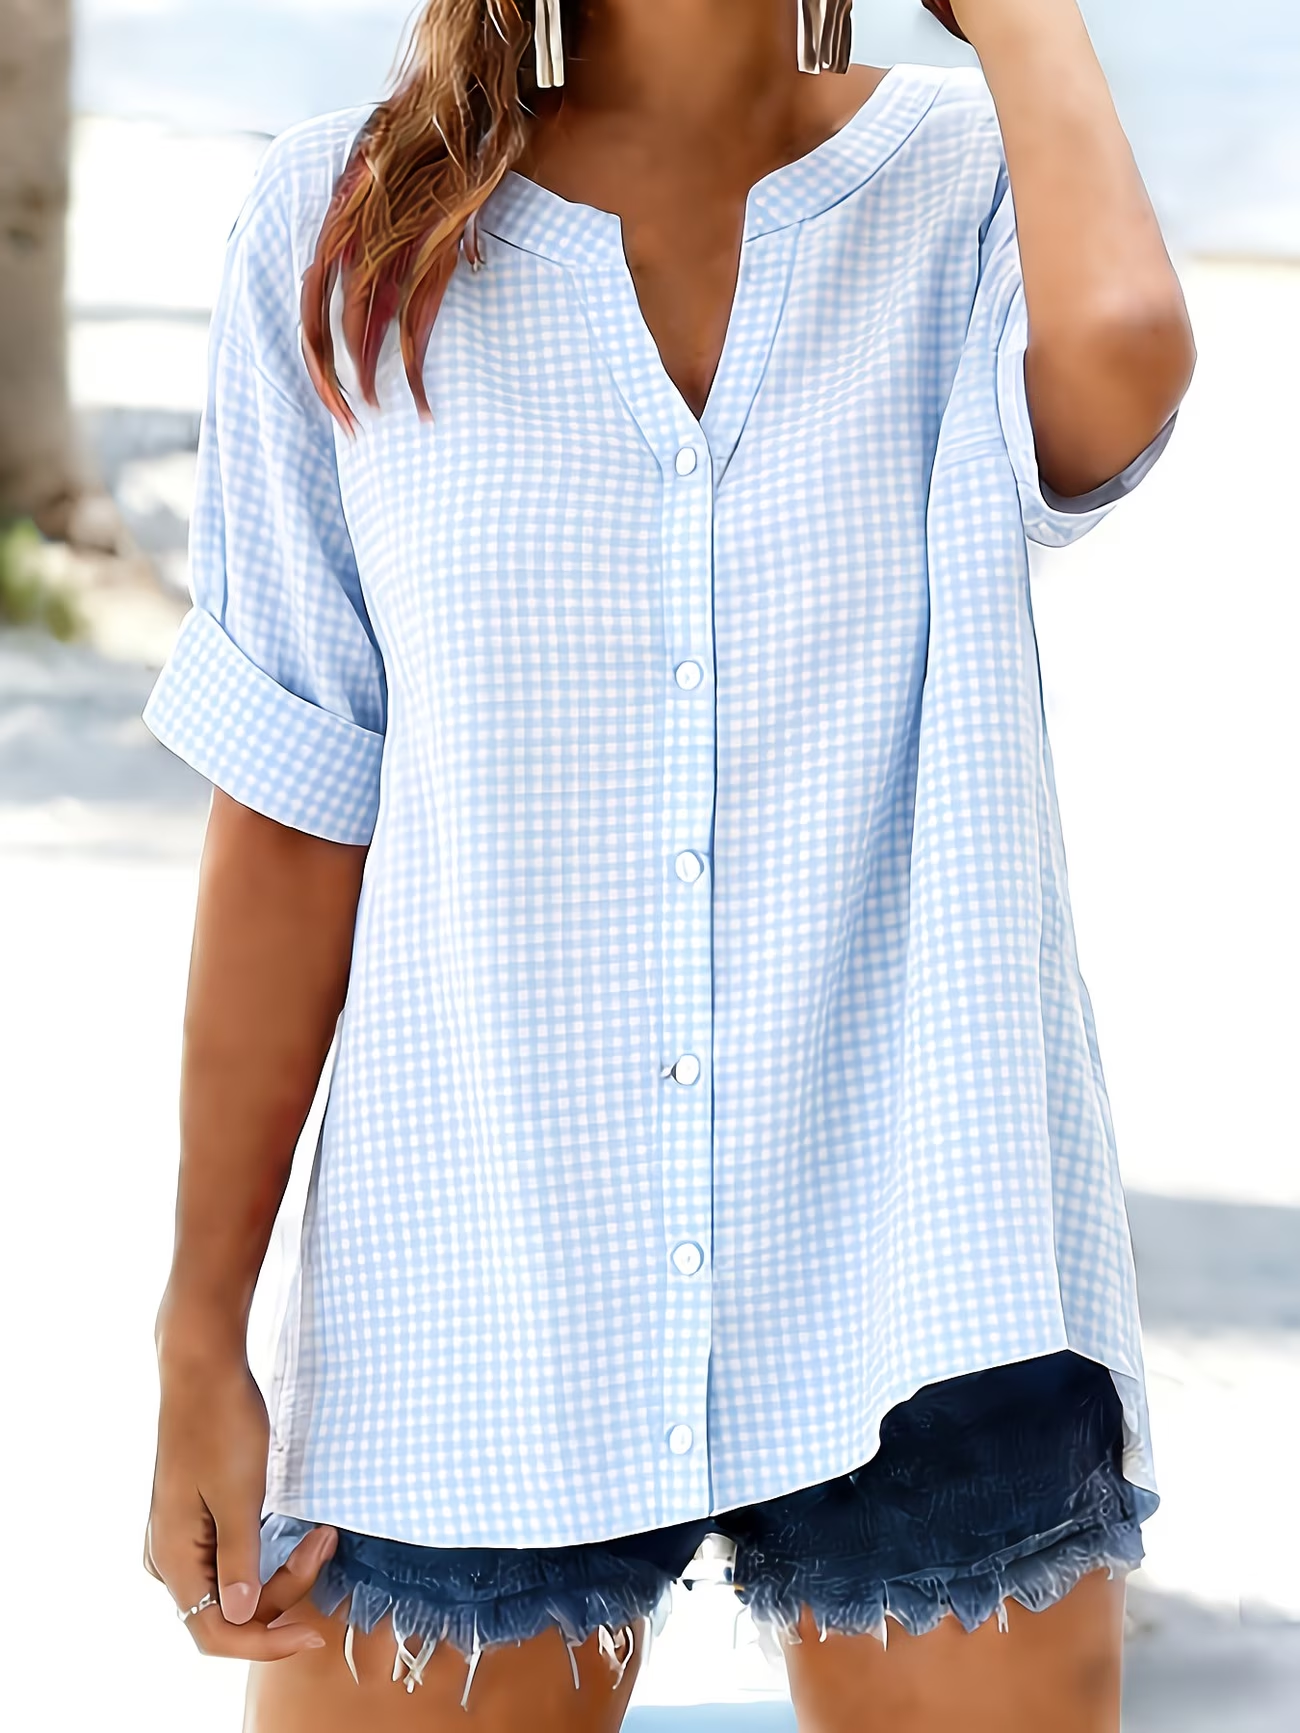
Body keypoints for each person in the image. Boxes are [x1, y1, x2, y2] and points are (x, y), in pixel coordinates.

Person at [139, 1, 1195, 1729]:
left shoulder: (977, 185)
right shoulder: (341, 227)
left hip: (927, 1256)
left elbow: (1124, 371)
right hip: (474, 1270)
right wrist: (202, 1330)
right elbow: (295, 804)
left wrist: (1019, 14)